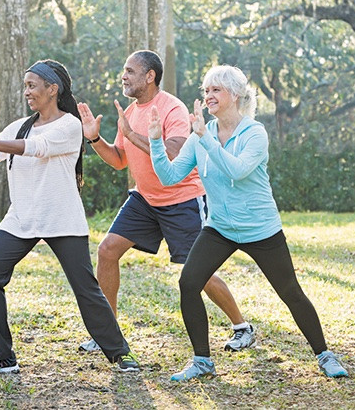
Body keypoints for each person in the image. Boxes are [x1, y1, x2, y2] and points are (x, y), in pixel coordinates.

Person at [0, 59, 139, 374]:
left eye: (32, 85)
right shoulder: (19, 126)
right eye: (25, 85)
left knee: (86, 288)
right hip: (21, 219)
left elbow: (35, 148)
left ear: (52, 89)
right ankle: (3, 357)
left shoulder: (69, 125)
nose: (26, 91)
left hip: (62, 219)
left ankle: (120, 353)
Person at [148, 64, 349, 380]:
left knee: (290, 292)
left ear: (235, 95)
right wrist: (156, 142)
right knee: (188, 282)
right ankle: (202, 361)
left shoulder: (254, 133)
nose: (209, 96)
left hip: (260, 229)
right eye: (206, 90)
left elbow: (237, 171)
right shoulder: (202, 134)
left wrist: (205, 137)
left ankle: (325, 355)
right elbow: (170, 176)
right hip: (221, 228)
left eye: (216, 90)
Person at [76, 50, 255, 353]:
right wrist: (94, 139)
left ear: (150, 76)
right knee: (107, 250)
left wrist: (132, 135)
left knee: (198, 271)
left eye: (130, 71)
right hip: (145, 199)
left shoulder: (171, 107)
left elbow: (173, 151)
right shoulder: (130, 113)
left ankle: (242, 327)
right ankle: (108, 333)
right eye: (125, 70)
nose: (124, 76)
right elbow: (120, 160)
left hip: (181, 199)